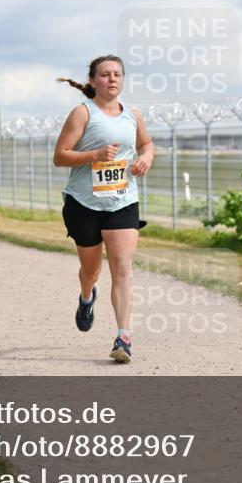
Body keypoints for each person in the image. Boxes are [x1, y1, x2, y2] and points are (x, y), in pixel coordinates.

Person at [53, 55, 154, 364]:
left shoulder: (132, 115)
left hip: (123, 201)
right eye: (105, 74)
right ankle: (87, 296)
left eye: (117, 74)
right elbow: (60, 156)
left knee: (122, 266)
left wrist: (146, 157)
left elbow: (146, 144)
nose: (112, 79)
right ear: (93, 80)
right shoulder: (83, 114)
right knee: (91, 271)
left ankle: (124, 336)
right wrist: (93, 155)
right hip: (84, 203)